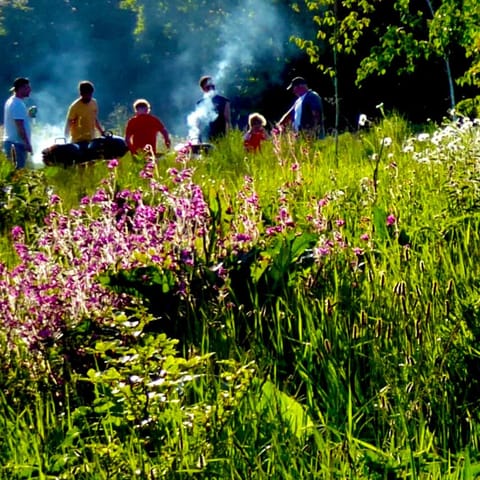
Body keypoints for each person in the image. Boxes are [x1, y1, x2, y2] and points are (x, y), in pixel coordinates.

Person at [3, 77, 34, 169]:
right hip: (17, 144)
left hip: (12, 142)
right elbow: (19, 126)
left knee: (14, 173)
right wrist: (27, 143)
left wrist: (27, 114)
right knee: (18, 172)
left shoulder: (12, 101)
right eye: (27, 88)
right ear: (20, 89)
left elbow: (17, 120)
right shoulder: (17, 104)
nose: (30, 90)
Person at [194, 75, 231, 142]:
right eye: (208, 87)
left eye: (213, 87)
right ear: (203, 89)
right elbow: (197, 124)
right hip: (205, 137)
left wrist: (229, 137)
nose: (211, 89)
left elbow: (228, 120)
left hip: (221, 137)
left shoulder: (224, 101)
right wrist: (197, 138)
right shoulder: (199, 104)